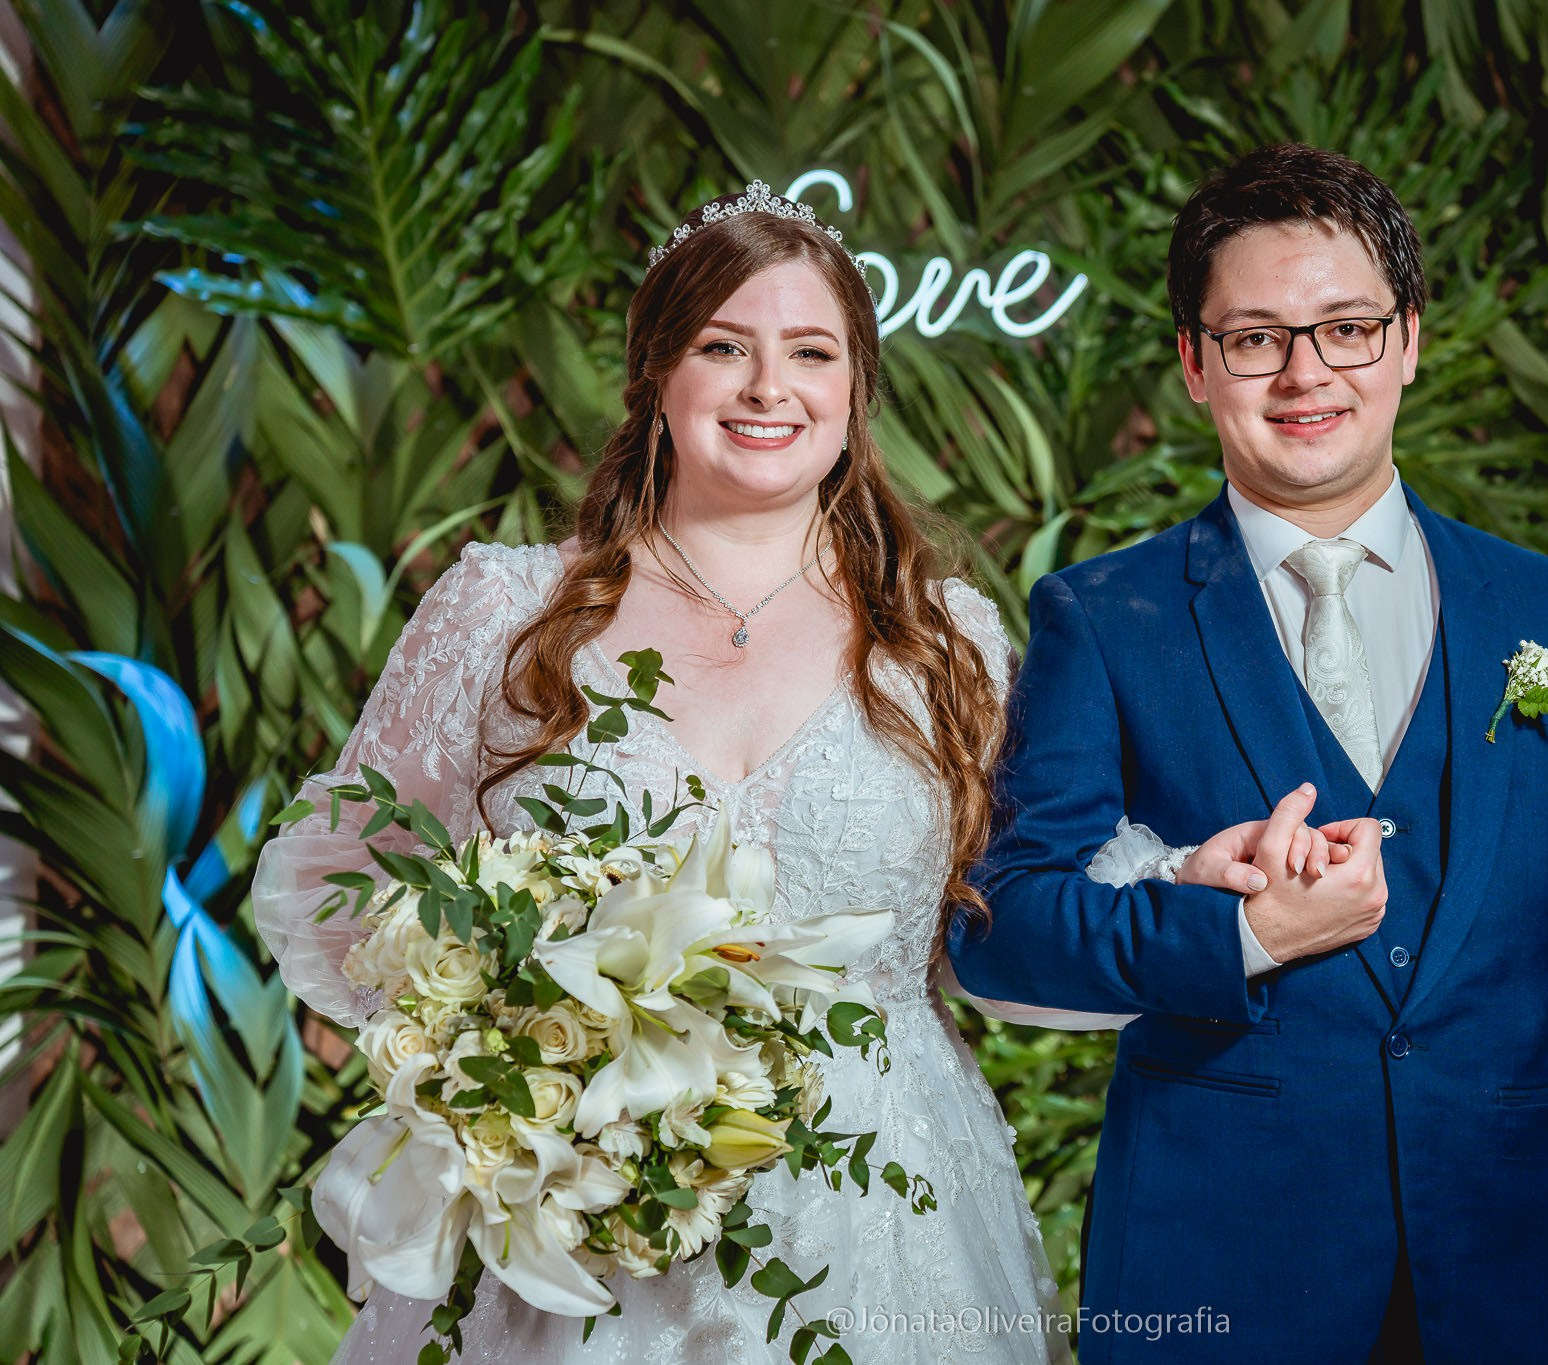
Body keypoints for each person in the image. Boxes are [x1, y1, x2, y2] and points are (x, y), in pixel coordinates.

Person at [252, 183, 1200, 1363]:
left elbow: (1034, 879)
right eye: (723, 348)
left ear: (855, 393)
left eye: (811, 352)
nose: (769, 387)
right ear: (657, 375)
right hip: (573, 1205)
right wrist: (511, 1046)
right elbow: (341, 883)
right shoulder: (503, 611)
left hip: (883, 1208)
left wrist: (1208, 875)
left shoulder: (940, 636)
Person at [948, 143, 1548, 1364]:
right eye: (1254, 338)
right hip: (1217, 1263)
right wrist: (1238, 933)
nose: (1304, 373)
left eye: (1346, 328)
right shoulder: (1099, 616)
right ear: (1197, 365)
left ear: (1406, 340)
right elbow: (1007, 926)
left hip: (1510, 1260)